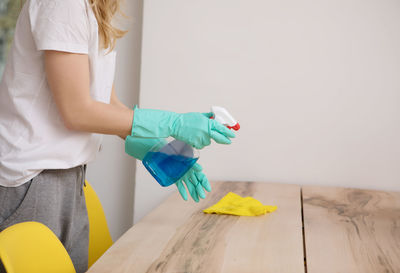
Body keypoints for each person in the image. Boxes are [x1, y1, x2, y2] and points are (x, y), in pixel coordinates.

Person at [0, 0, 235, 272]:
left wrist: (160, 152)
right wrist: (173, 122)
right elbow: (77, 111)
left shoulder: (94, 8)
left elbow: (105, 102)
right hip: (31, 179)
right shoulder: (64, 4)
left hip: (69, 177)